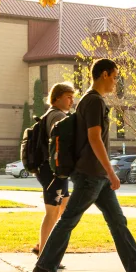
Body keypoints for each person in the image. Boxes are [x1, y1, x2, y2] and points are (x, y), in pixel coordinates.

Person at [31, 58, 136, 272]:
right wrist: (111, 172)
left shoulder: (91, 101)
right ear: (103, 75)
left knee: (117, 221)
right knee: (69, 220)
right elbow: (94, 137)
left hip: (97, 176)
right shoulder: (93, 102)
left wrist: (106, 174)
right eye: (114, 77)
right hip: (90, 174)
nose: (115, 82)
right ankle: (44, 267)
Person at [32, 82, 75, 258]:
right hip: (52, 172)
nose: (71, 100)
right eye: (68, 97)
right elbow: (62, 144)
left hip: (55, 172)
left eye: (72, 97)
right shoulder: (57, 116)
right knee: (52, 212)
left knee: (63, 207)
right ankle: (44, 256)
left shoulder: (52, 115)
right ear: (57, 98)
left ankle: (41, 245)